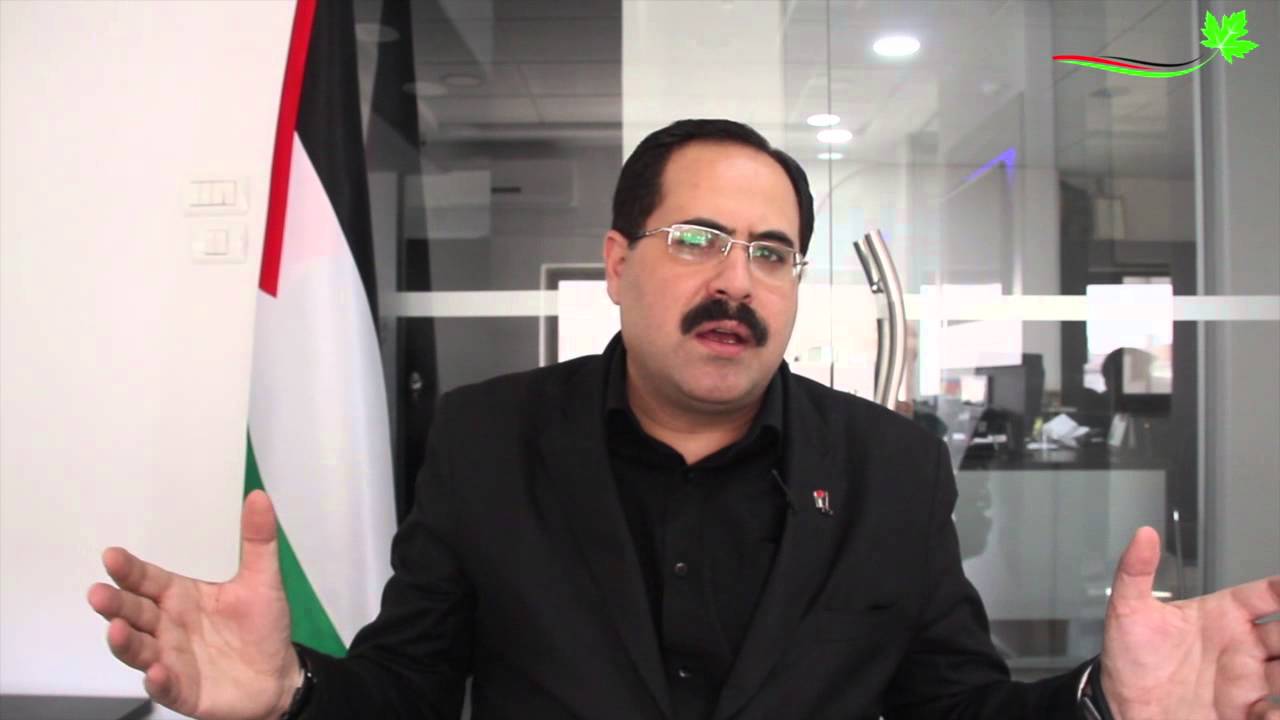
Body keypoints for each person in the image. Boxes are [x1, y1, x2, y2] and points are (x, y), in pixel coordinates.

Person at [89, 120, 1280, 720]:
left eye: (770, 252)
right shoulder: (487, 440)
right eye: (697, 240)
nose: (734, 282)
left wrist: (1103, 701)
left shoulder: (890, 466)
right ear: (617, 263)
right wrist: (289, 692)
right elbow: (408, 689)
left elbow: (953, 709)